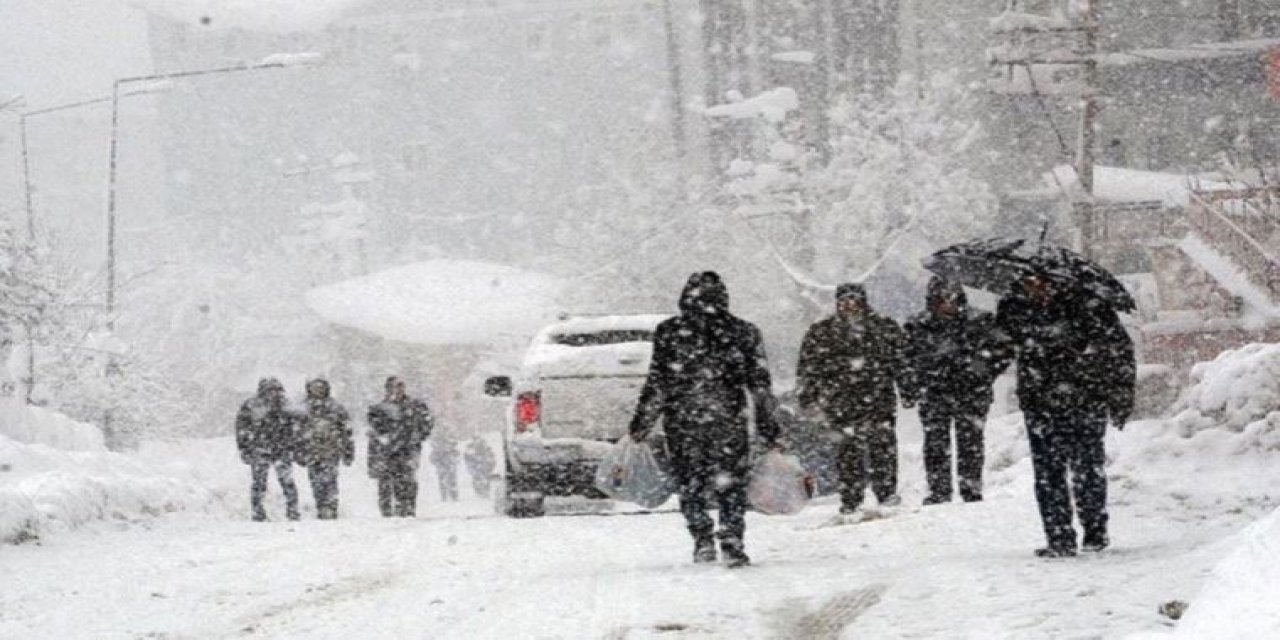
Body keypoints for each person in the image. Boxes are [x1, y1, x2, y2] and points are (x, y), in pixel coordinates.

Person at [630, 271, 781, 568]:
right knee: (732, 484)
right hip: (728, 419)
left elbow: (658, 381)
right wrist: (769, 428)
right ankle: (732, 540)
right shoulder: (743, 332)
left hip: (684, 420)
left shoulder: (670, 332)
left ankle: (702, 539)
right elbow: (759, 385)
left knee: (690, 482)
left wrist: (642, 422)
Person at [997, 273, 1135, 558]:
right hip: (1041, 402)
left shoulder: (1087, 305)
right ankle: (1059, 536)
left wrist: (1120, 395)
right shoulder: (1015, 308)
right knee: (1048, 472)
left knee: (1087, 468)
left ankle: (1094, 530)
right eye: (1028, 283)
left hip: (1084, 399)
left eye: (1039, 282)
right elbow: (998, 347)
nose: (1034, 288)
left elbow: (1118, 350)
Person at [797, 282, 909, 516]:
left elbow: (902, 362)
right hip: (840, 401)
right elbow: (809, 367)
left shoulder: (883, 328)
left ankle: (886, 492)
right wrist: (808, 396)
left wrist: (908, 389)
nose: (849, 305)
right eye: (844, 300)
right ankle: (851, 497)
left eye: (854, 299)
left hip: (878, 398)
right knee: (848, 451)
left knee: (882, 447)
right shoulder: (822, 332)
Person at [902, 277, 1011, 505]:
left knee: (970, 443)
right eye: (942, 298)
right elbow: (906, 360)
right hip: (934, 392)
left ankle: (970, 488)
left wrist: (984, 372)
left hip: (971, 392)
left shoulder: (980, 321)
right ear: (933, 300)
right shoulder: (917, 325)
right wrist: (913, 386)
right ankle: (939, 490)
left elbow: (1002, 351)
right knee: (935, 443)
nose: (947, 303)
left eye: (951, 297)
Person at [367, 376, 434, 517]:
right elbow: (374, 431)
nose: (397, 391)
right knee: (385, 481)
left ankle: (407, 508)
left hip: (408, 449)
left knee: (407, 480)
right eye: (393, 387)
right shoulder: (378, 409)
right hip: (386, 451)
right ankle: (387, 510)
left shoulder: (415, 406)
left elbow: (427, 422)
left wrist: (419, 436)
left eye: (400, 387)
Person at [235, 377, 300, 522]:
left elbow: (295, 428)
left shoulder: (286, 405)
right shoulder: (251, 406)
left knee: (287, 482)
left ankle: (293, 511)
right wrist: (244, 448)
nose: (274, 393)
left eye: (276, 390)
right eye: (271, 390)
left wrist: (294, 446)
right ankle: (258, 512)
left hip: (281, 449)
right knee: (259, 483)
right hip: (259, 449)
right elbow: (242, 428)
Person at [295, 378, 354, 519]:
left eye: (320, 388)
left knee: (330, 480)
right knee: (316, 482)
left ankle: (331, 507)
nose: (318, 391)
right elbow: (296, 432)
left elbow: (347, 431)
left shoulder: (336, 407)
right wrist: (298, 451)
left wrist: (348, 451)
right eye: (315, 388)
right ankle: (321, 506)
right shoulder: (303, 409)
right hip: (312, 452)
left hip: (331, 451)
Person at [429, 428, 460, 502]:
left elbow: (457, 455)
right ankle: (448, 496)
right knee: (446, 481)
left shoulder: (449, 448)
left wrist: (454, 461)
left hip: (447, 464)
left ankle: (451, 496)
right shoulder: (438, 449)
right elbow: (432, 458)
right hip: (444, 465)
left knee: (449, 480)